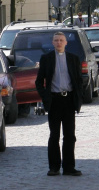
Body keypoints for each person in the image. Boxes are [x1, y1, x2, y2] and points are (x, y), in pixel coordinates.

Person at [35, 32, 83, 177]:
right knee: (54, 135)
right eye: (56, 40)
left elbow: (79, 80)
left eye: (61, 40)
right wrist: (45, 97)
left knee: (69, 135)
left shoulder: (74, 59)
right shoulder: (46, 59)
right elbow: (39, 81)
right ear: (52, 42)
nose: (59, 43)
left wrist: (78, 97)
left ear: (66, 43)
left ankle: (69, 167)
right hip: (54, 100)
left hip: (68, 100)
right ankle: (54, 167)